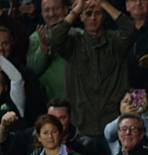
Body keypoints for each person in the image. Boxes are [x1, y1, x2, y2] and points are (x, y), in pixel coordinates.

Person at [48, 0, 135, 139]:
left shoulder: (115, 41)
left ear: (104, 15)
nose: (93, 18)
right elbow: (54, 37)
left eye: (98, 13)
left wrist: (104, 3)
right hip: (82, 122)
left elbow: (130, 29)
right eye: (88, 14)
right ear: (81, 18)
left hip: (114, 123)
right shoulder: (74, 44)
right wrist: (76, 10)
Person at [26, 0, 67, 100]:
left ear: (66, 10)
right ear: (42, 13)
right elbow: (33, 71)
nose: (52, 14)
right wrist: (43, 48)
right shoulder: (35, 38)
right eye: (47, 10)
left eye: (56, 9)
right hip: (50, 104)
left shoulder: (78, 35)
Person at [103, 90, 148, 155]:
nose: (130, 104)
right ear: (119, 105)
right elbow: (109, 133)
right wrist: (125, 116)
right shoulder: (116, 124)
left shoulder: (146, 118)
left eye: (134, 101)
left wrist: (145, 112)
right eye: (126, 101)